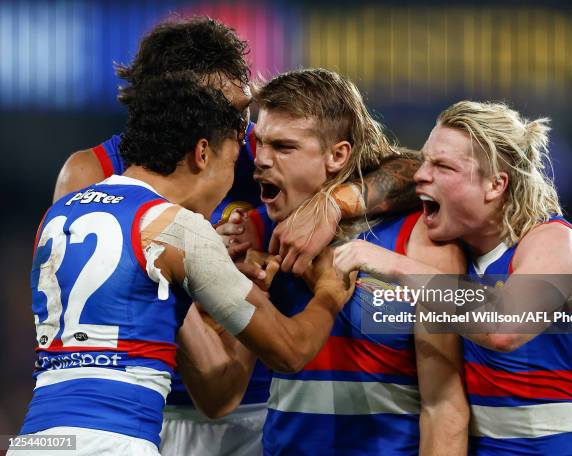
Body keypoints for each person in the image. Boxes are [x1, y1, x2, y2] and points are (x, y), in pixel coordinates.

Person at [52, 15, 423, 456]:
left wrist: (333, 204)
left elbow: (417, 172)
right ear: (182, 110)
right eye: (226, 113)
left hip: (259, 412)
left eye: (241, 112)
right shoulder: (93, 174)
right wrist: (202, 264)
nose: (242, 131)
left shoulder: (256, 147)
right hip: (155, 409)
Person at [13, 72, 354, 456]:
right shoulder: (176, 228)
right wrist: (328, 293)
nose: (237, 177)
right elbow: (289, 351)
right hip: (116, 442)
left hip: (37, 439)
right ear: (202, 153)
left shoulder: (59, 214)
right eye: (232, 161)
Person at [334, 100, 572, 455]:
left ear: (495, 185)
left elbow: (504, 327)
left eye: (442, 166)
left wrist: (393, 264)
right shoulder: (454, 252)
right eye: (425, 160)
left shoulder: (557, 242)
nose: (421, 175)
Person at [222, 68, 469, 455]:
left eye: (284, 147)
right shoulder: (261, 237)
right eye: (260, 143)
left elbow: (443, 409)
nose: (261, 160)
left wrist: (334, 205)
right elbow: (218, 388)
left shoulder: (417, 241)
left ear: (338, 155)